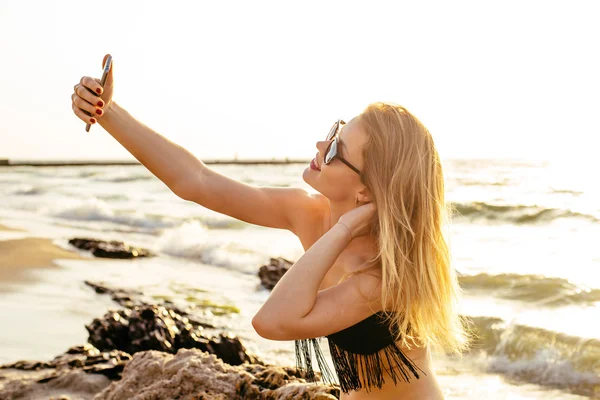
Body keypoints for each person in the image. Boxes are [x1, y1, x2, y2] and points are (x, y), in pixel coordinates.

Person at [71, 54, 470, 399]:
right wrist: (108, 111)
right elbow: (196, 182)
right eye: (334, 131)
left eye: (335, 149)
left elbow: (272, 321)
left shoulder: (380, 276)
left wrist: (344, 231)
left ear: (366, 192)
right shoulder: (307, 212)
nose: (319, 146)